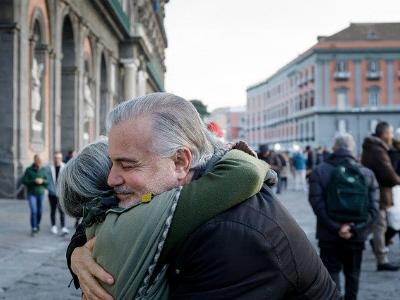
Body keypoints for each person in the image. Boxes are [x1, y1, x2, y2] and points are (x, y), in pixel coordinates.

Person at [68, 93, 340, 300]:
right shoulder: (170, 194)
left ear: (180, 162)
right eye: (112, 162)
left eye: (127, 165)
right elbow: (104, 212)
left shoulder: (230, 234)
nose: (111, 179)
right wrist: (78, 253)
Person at [59, 139, 270, 299]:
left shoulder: (98, 225)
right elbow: (246, 172)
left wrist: (75, 252)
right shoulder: (151, 215)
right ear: (115, 186)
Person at [309, 133, 379, 300]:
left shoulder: (320, 171)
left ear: (334, 148)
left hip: (329, 235)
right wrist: (354, 228)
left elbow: (317, 204)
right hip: (357, 236)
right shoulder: (367, 173)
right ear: (353, 149)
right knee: (353, 274)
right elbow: (374, 209)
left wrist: (336, 227)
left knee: (331, 274)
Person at [362, 121, 400, 271]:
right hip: (379, 193)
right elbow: (388, 173)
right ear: (384, 134)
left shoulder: (375, 147)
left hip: (377, 192)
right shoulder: (377, 150)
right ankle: (382, 260)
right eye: (390, 133)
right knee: (380, 225)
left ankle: (377, 247)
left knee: (378, 225)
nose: (391, 136)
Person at [22, 154, 49, 236]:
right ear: (34, 160)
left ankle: (37, 224)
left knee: (39, 212)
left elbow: (47, 182)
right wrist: (34, 180)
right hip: (31, 194)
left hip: (41, 193)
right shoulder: (28, 169)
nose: (39, 161)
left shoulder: (44, 170)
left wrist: (43, 181)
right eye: (37, 160)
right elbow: (24, 181)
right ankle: (33, 227)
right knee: (34, 211)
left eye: (40, 160)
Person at [47, 151, 69, 235]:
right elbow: (47, 180)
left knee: (61, 210)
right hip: (52, 193)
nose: (57, 159)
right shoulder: (49, 168)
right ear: (53, 158)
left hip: (61, 193)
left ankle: (63, 227)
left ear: (61, 158)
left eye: (59, 158)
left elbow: (66, 180)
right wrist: (50, 189)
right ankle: (53, 226)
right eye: (55, 158)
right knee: (53, 210)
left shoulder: (65, 167)